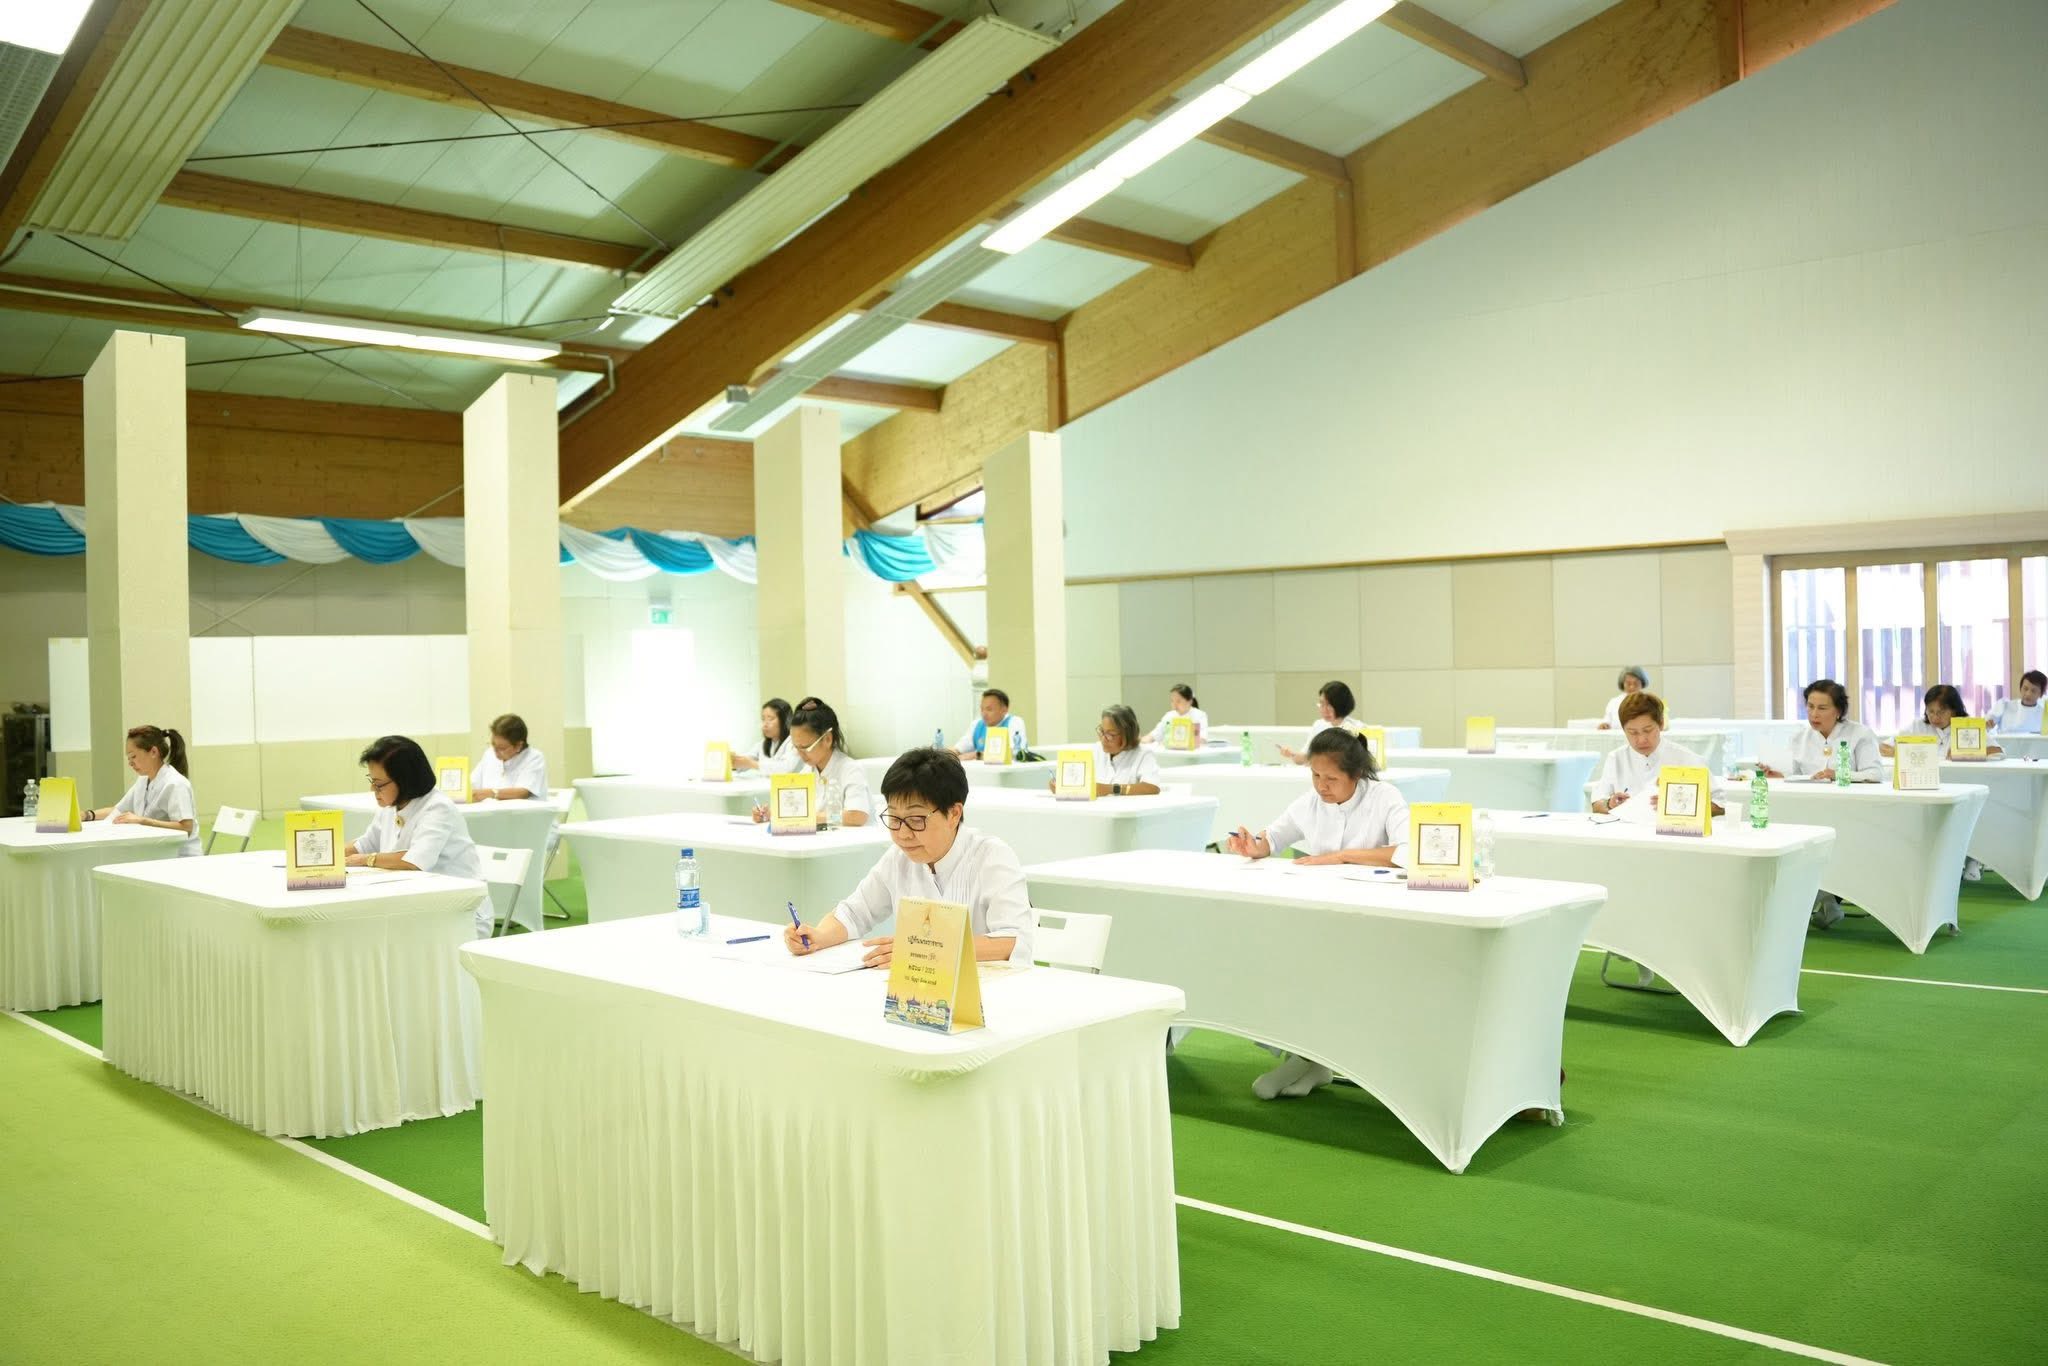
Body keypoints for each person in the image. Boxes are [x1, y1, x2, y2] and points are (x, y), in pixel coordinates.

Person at [1224, 728, 1408, 1100]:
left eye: (1331, 778)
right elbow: (1272, 838)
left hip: (1374, 917)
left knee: (1334, 976)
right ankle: (1309, 1058)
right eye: (1315, 776)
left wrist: (1341, 856)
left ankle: (1319, 1058)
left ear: (1356, 775)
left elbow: (1408, 850)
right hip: (1319, 909)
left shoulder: (1385, 797)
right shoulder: (1310, 802)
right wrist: (1253, 846)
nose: (1321, 786)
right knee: (1284, 961)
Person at [782, 748, 1032, 967]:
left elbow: (1012, 940)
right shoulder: (899, 858)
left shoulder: (993, 857)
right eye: (893, 819)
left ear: (954, 813)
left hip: (992, 993)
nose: (902, 834)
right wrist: (818, 937)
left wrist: (927, 951)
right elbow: (855, 912)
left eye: (915, 820)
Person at [346, 735, 487, 936]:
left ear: (404, 780)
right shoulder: (391, 806)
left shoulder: (437, 807)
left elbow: (416, 861)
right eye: (371, 781)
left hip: (459, 912)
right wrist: (327, 853)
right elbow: (365, 844)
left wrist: (366, 860)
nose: (372, 789)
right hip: (418, 904)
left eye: (378, 784)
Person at [84, 724, 199, 857]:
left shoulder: (175, 784)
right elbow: (118, 810)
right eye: (128, 758)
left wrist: (142, 821)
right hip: (154, 852)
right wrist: (87, 815)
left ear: (153, 752)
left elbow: (186, 827)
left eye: (133, 757)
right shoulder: (143, 780)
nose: (130, 763)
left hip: (179, 858)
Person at [1589, 692, 1709, 819]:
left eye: (1647, 730)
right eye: (1633, 733)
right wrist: (1610, 804)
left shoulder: (1686, 758)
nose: (1641, 740)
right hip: (1626, 833)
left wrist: (1677, 805)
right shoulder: (1616, 758)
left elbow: (1719, 806)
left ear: (1661, 724)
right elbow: (1597, 804)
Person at [751, 702, 873, 826]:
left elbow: (857, 816)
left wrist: (813, 817)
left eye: (805, 747)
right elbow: (793, 809)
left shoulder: (850, 769)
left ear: (827, 739)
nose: (800, 754)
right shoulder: (808, 770)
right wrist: (768, 814)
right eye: (796, 748)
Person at [1760, 679, 1882, 784]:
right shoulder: (1799, 738)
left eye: (1822, 708)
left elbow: (1874, 774)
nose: (1814, 714)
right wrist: (1778, 776)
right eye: (1810, 706)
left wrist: (1838, 775)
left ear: (1839, 711)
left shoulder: (1860, 734)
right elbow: (1796, 777)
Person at [1054, 704, 1161, 797]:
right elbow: (1077, 782)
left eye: (1111, 734)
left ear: (1127, 734)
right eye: (1102, 731)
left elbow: (1152, 787)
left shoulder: (1143, 754)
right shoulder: (1096, 750)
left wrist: (1109, 789)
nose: (1103, 738)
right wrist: (1061, 786)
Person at [1883, 684, 2001, 759]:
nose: (1934, 717)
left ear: (1954, 711)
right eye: (1931, 711)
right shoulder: (1918, 726)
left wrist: (1966, 754)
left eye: (1941, 712)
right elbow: (1884, 747)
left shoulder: (1967, 726)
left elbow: (1997, 751)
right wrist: (1900, 753)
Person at [1278, 680, 1365, 764]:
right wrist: (1292, 754)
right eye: (1321, 704)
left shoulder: (1357, 727)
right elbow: (1306, 756)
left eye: (1329, 705)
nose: (1324, 710)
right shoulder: (1319, 725)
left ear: (1341, 705)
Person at [471, 713, 549, 801]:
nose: (495, 751)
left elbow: (523, 792)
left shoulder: (534, 758)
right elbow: (472, 783)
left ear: (518, 746)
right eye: (493, 744)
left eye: (502, 748)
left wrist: (492, 793)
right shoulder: (489, 754)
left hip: (523, 813)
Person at [953, 687, 1028, 759]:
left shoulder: (1015, 722)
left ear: (1004, 710)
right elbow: (958, 749)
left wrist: (977, 755)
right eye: (982, 709)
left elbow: (1016, 753)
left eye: (989, 709)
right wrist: (944, 756)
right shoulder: (977, 724)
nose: (984, 713)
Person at [732, 698, 800, 773]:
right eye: (763, 719)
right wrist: (733, 760)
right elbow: (746, 760)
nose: (765, 724)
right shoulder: (762, 744)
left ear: (784, 721)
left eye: (770, 719)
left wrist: (753, 764)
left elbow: (786, 768)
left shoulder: (795, 742)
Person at [1991, 670, 2046, 734]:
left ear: (2041, 694)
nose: (2028, 694)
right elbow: (1986, 724)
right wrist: (1988, 724)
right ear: (2020, 688)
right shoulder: (2004, 706)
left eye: (2033, 691)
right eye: (2025, 689)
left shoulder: (2044, 714)